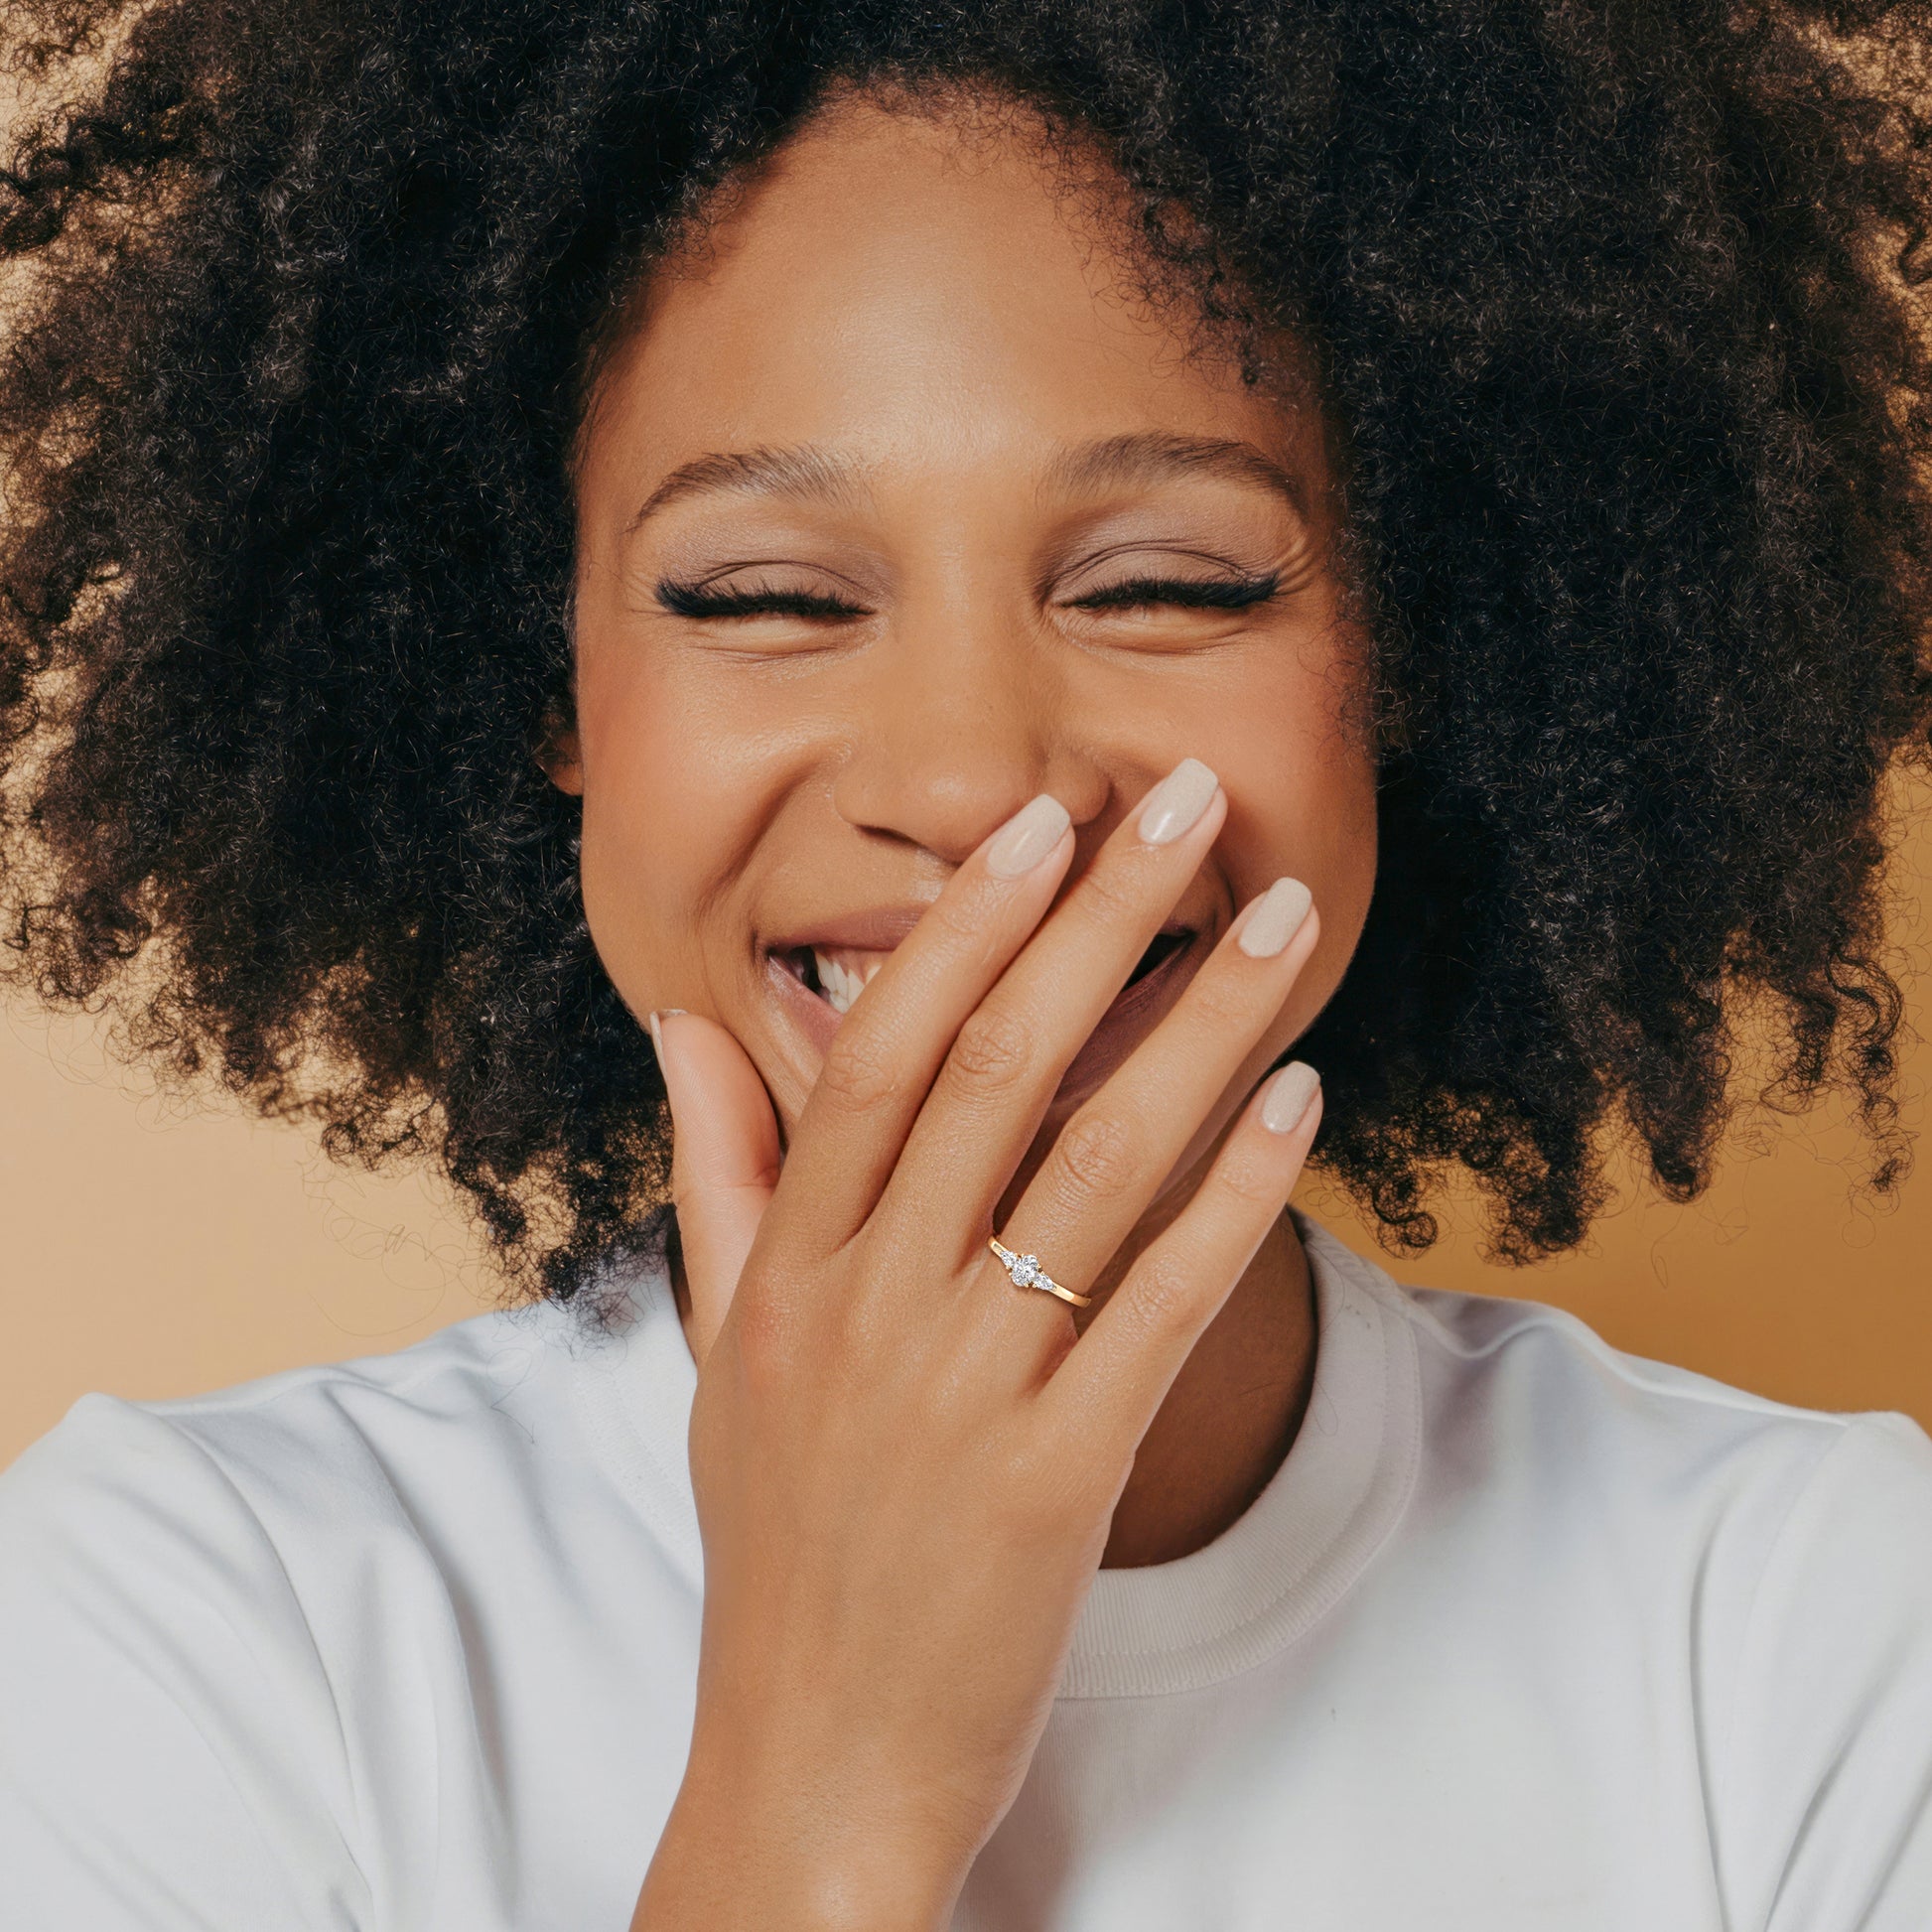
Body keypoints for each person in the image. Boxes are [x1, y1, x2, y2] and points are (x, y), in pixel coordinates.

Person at [3, 1, 1931, 1926]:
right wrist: (821, 1783)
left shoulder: (1815, 1632)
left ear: (1407, 658)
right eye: (764, 594)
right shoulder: (202, 1626)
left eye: (1166, 583)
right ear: (548, 677)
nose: (975, 783)